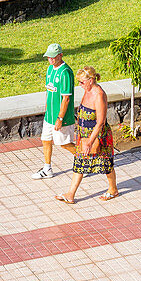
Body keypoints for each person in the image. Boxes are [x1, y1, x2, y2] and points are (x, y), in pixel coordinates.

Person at [56, 66, 118, 203]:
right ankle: (70, 194)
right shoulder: (87, 90)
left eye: (82, 82)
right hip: (84, 135)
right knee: (80, 162)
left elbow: (100, 122)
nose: (80, 85)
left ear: (91, 80)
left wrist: (90, 142)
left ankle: (113, 189)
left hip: (97, 136)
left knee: (106, 163)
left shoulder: (99, 95)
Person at [33, 43, 76, 179]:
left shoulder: (65, 73)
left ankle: (85, 161)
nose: (50, 60)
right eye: (48, 57)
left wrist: (60, 118)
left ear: (60, 55)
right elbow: (49, 92)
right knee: (46, 140)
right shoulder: (50, 70)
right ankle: (47, 169)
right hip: (49, 117)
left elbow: (66, 99)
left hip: (61, 118)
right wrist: (47, 112)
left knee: (64, 144)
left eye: (53, 57)